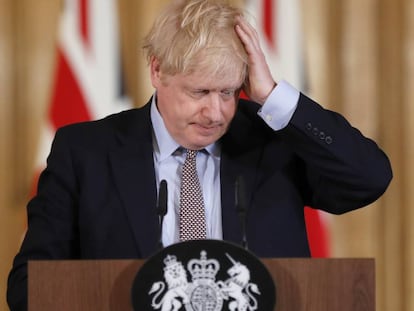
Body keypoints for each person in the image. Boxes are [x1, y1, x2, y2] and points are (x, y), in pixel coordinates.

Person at [7, 0, 392, 309]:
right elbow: (30, 285)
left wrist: (273, 96)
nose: (216, 113)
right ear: (157, 71)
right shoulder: (85, 152)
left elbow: (369, 178)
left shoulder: (274, 142)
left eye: (228, 92)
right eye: (200, 92)